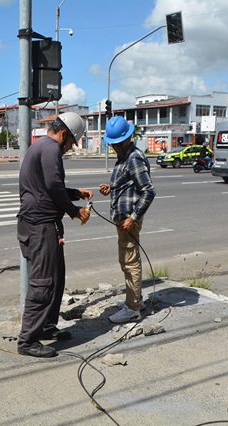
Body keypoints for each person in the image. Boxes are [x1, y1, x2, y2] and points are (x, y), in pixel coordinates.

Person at [17, 111, 92, 358]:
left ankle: (47, 327)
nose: (69, 149)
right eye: (71, 143)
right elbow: (52, 186)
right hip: (40, 226)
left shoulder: (41, 146)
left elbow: (49, 187)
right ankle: (28, 340)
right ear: (63, 134)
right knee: (43, 283)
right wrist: (74, 211)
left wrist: (75, 193)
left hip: (42, 224)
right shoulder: (50, 149)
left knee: (56, 278)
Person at [99, 116, 155, 324]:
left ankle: (132, 308)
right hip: (122, 219)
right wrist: (111, 188)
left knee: (130, 262)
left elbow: (148, 191)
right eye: (112, 144)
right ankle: (135, 301)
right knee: (127, 260)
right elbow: (128, 184)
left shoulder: (134, 157)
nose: (114, 148)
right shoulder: (124, 157)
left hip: (128, 220)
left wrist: (133, 218)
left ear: (128, 138)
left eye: (117, 144)